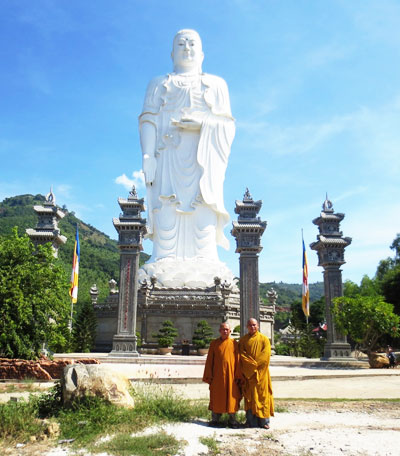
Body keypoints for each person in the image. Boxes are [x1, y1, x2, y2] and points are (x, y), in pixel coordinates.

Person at [138, 29, 236, 286]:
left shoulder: (216, 84)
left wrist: (202, 124)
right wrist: (147, 154)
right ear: (172, 53)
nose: (187, 48)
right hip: (167, 155)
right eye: (181, 43)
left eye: (192, 44)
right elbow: (148, 120)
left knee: (202, 203)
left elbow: (228, 126)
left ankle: (205, 258)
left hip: (203, 160)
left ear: (202, 54)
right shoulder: (158, 83)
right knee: (166, 203)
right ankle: (163, 256)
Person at [202, 322, 242, 428]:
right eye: (223, 329)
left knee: (232, 397)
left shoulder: (234, 344)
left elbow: (238, 361)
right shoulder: (214, 344)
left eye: (227, 329)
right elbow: (209, 361)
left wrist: (238, 375)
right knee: (216, 396)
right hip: (217, 377)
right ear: (219, 331)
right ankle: (215, 419)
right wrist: (209, 376)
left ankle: (232, 420)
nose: (225, 331)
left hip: (231, 377)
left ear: (230, 331)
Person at [239, 318, 274, 429]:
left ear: (258, 326)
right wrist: (250, 369)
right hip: (248, 375)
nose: (252, 327)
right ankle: (250, 421)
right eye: (250, 325)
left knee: (263, 396)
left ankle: (264, 421)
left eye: (254, 325)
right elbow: (242, 355)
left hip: (261, 374)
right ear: (247, 327)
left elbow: (265, 356)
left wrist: (254, 367)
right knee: (249, 398)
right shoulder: (243, 340)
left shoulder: (264, 339)